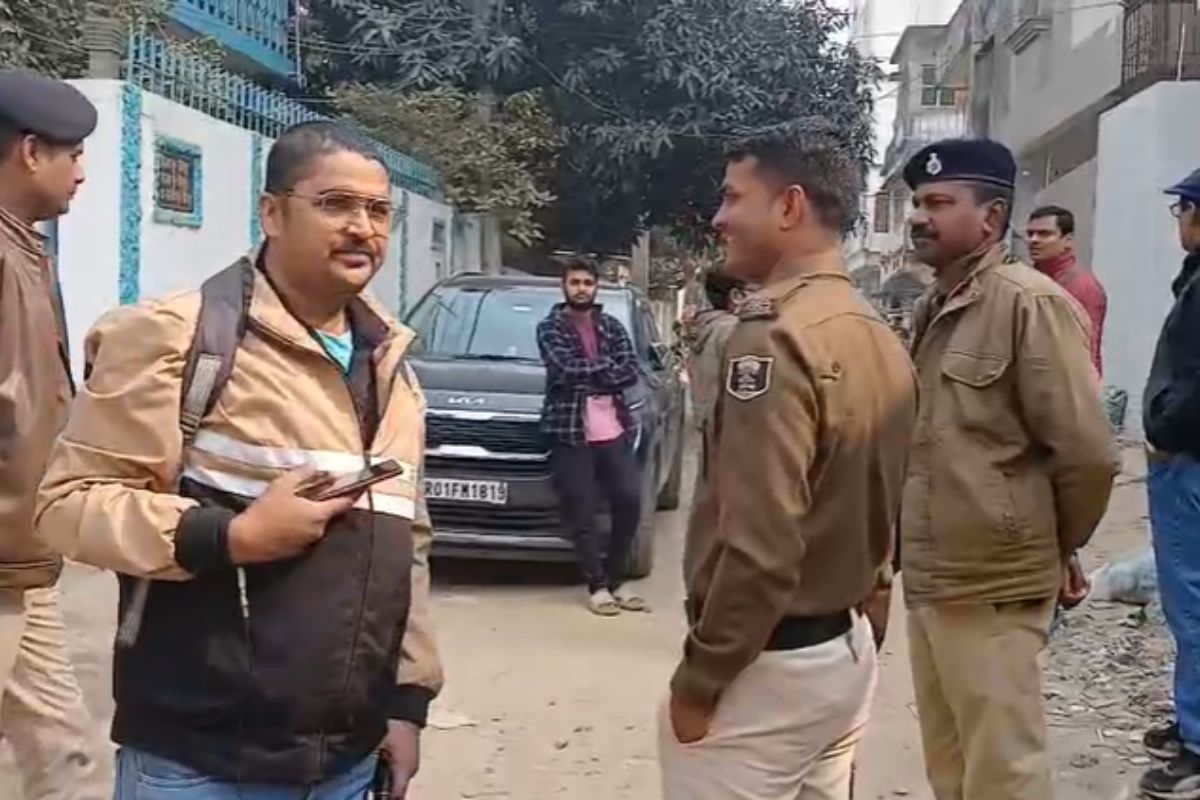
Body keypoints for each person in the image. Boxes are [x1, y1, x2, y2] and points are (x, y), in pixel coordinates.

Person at [34, 122, 442, 799]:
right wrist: (230, 536)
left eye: (378, 211)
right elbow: (68, 504)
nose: (362, 228)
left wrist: (406, 702)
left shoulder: (391, 366)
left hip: (347, 763)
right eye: (335, 204)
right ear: (272, 214)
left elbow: (409, 546)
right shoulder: (177, 337)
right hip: (199, 762)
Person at [659, 134, 916, 800]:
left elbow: (760, 546)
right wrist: (871, 617)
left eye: (733, 198)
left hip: (768, 668)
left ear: (789, 207)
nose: (719, 218)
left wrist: (701, 679)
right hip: (842, 650)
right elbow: (884, 508)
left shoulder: (773, 336)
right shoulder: (873, 331)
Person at [900, 138, 1116, 800]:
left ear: (991, 218)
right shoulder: (932, 307)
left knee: (1003, 774)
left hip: (994, 580)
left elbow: (1087, 454)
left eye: (939, 202)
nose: (919, 217)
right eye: (918, 202)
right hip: (935, 575)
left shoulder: (1030, 304)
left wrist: (1053, 545)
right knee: (950, 769)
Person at [0, 71, 103, 800]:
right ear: (31, 152)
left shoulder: (25, 251)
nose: (82, 172)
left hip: (22, 565)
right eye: (74, 155)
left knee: (65, 758)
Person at [536, 257, 646, 617]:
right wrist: (606, 368)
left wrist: (594, 374)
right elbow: (563, 368)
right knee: (580, 509)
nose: (581, 289)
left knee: (629, 499)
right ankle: (597, 585)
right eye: (575, 282)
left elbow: (630, 370)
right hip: (570, 431)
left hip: (613, 428)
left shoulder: (612, 326)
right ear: (564, 286)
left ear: (596, 287)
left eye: (587, 283)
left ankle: (615, 579)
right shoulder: (550, 326)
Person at [1139, 167, 1200, 800]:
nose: (1179, 220)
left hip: (1188, 464)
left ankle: (1198, 746)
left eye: (1182, 208)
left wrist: (1164, 424)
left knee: (1192, 606)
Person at [1027, 205, 1109, 611]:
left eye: (1044, 234)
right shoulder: (1040, 283)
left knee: (1060, 508)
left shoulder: (1079, 287)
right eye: (1030, 234)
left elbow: (1083, 359)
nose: (1034, 241)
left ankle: (1061, 586)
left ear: (1068, 240)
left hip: (1067, 410)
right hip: (1043, 407)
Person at [686, 267, 748, 432]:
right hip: (729, 427)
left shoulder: (707, 327)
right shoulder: (732, 330)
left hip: (710, 425)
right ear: (737, 296)